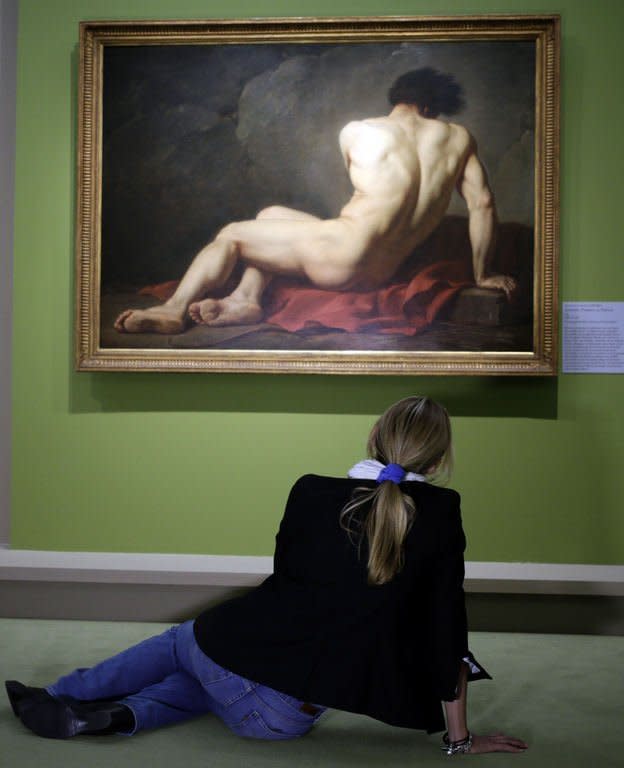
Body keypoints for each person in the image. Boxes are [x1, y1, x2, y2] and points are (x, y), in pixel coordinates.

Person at [5, 396, 527, 755]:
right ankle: (114, 718)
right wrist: (460, 740)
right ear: (436, 465)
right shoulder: (440, 514)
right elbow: (446, 637)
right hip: (276, 721)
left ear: (373, 436)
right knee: (202, 688)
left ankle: (59, 695)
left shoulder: (310, 491)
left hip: (227, 651)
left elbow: (284, 589)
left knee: (184, 647)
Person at [114, 68, 517, 335]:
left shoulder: (358, 131)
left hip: (339, 254)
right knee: (271, 216)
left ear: (398, 100)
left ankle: (173, 310)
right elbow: (482, 204)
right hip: (378, 270)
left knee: (234, 234)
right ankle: (245, 300)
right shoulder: (459, 138)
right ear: (432, 108)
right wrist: (483, 274)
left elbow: (368, 193)